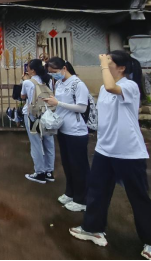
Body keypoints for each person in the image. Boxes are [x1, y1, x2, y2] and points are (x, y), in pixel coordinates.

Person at [70, 51, 151, 261]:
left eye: (109, 62)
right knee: (97, 190)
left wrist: (102, 63)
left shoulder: (130, 86)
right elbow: (106, 99)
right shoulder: (103, 88)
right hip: (105, 149)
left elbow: (111, 86)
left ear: (121, 67)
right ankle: (92, 228)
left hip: (128, 152)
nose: (105, 65)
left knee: (138, 196)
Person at [43, 57, 90, 212]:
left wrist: (58, 103)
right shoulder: (59, 83)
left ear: (64, 68)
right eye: (50, 73)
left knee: (78, 166)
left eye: (54, 72)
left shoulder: (78, 84)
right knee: (68, 164)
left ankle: (82, 199)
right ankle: (70, 192)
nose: (53, 75)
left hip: (76, 131)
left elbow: (82, 108)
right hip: (63, 129)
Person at [21, 59, 56, 185]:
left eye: (28, 68)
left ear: (33, 70)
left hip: (32, 115)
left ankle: (39, 172)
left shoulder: (28, 82)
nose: (27, 70)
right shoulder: (48, 80)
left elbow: (23, 96)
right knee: (49, 142)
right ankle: (49, 172)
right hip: (47, 115)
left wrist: (24, 80)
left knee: (36, 143)